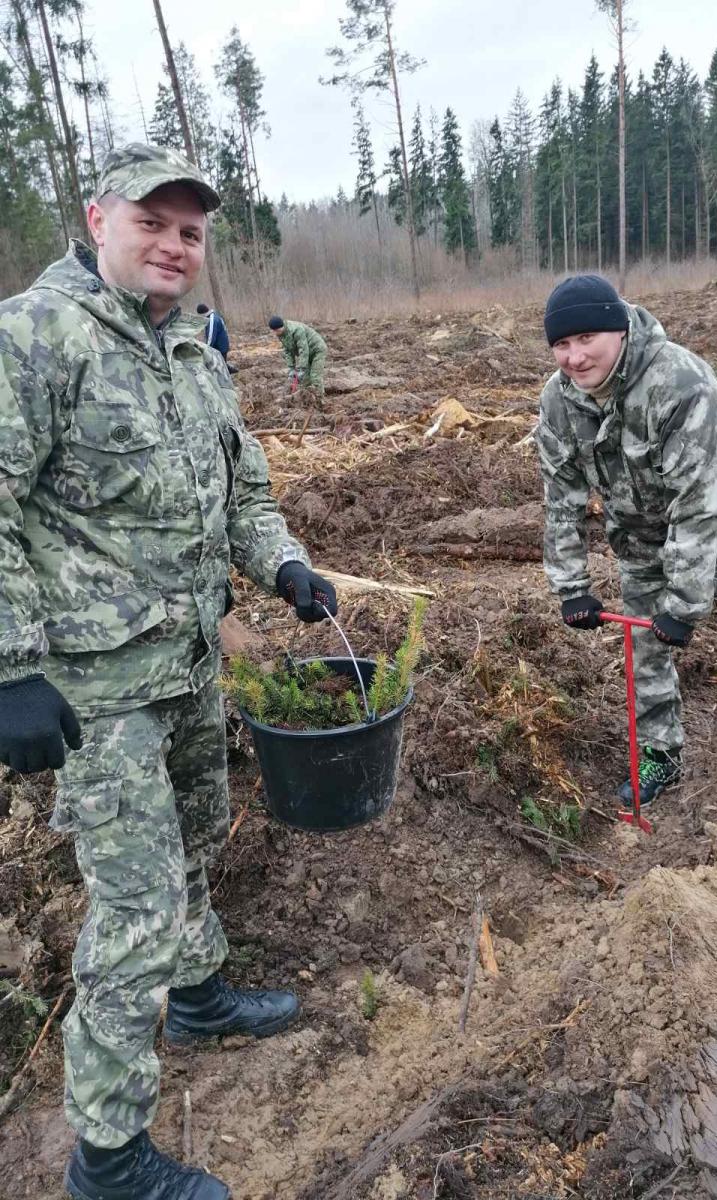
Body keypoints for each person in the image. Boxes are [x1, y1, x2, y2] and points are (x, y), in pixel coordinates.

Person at [0, 143, 339, 1200]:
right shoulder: (33, 337)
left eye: (190, 232)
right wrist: (10, 667)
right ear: (98, 219)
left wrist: (283, 564)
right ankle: (108, 1161)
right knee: (137, 905)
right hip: (95, 692)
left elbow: (245, 490)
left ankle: (196, 998)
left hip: (188, 662)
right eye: (152, 223)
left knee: (196, 840)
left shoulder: (194, 350)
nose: (173, 246)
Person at [535, 274, 717, 808]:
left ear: (619, 330)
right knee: (645, 645)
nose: (574, 357)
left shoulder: (679, 383)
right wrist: (571, 587)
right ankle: (660, 753)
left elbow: (698, 503)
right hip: (641, 529)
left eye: (586, 338)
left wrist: (685, 605)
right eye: (562, 344)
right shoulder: (557, 402)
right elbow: (561, 499)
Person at [268, 314, 327, 397]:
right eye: (274, 331)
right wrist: (291, 368)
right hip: (307, 353)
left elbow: (303, 349)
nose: (276, 333)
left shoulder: (296, 330)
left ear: (282, 326)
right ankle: (308, 400)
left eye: (277, 330)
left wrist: (302, 368)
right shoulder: (280, 334)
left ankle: (320, 399)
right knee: (306, 380)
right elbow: (287, 350)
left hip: (317, 350)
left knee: (315, 377)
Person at [196, 301, 233, 371]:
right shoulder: (214, 315)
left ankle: (230, 372)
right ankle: (230, 370)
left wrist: (206, 349)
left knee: (220, 367)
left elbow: (211, 336)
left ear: (202, 313)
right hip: (221, 346)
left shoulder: (212, 320)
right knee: (221, 364)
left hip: (220, 347)